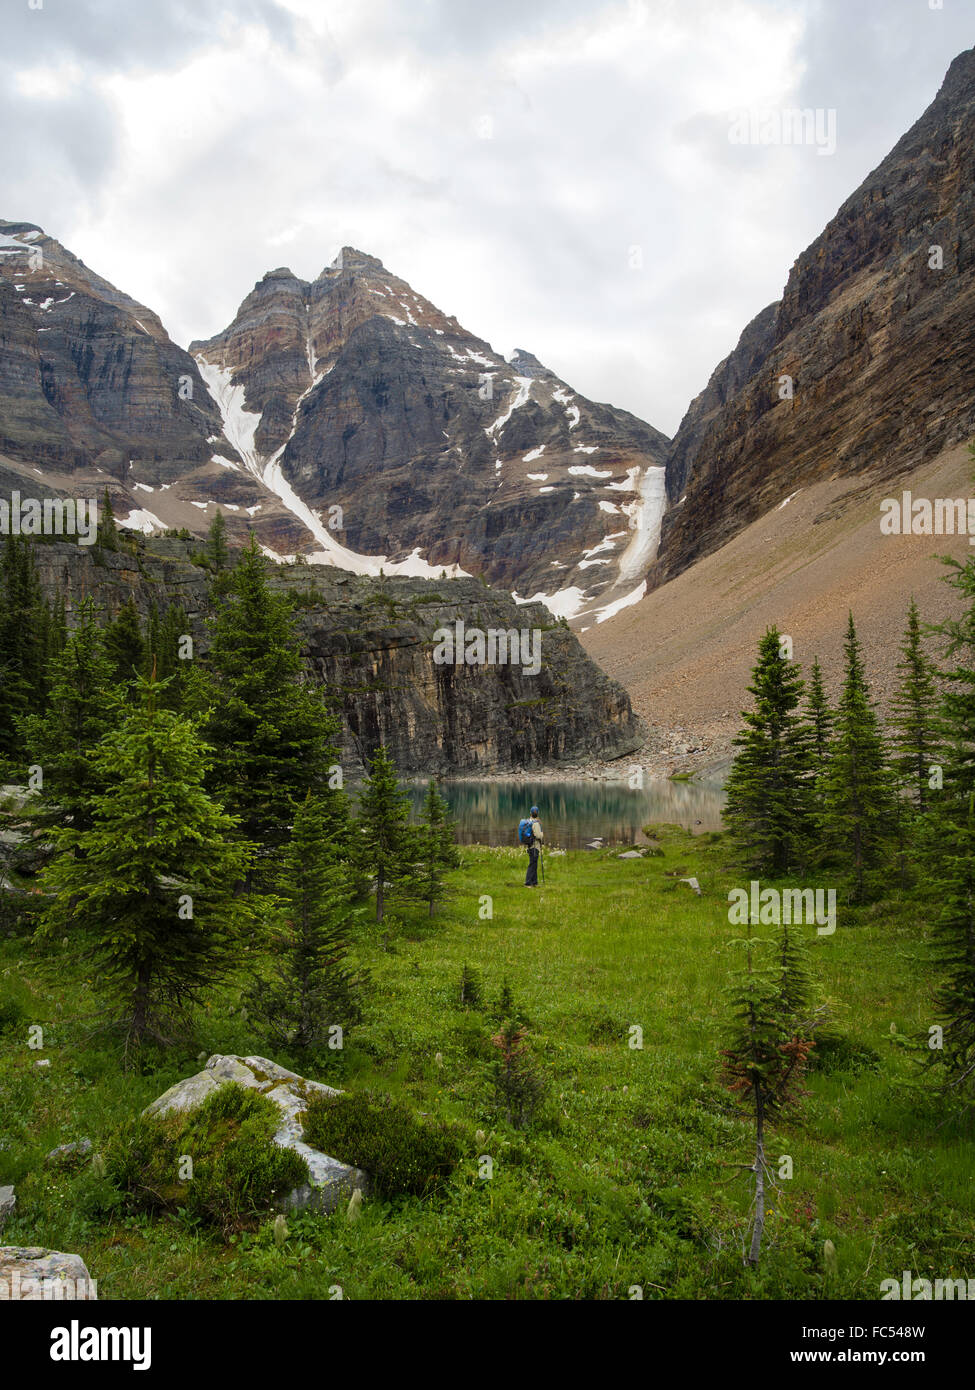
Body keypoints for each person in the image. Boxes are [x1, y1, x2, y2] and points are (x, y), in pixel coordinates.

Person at [524, 805, 544, 886]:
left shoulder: (528, 821)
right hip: (535, 846)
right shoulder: (536, 823)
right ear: (537, 813)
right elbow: (538, 835)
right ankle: (528, 883)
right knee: (532, 864)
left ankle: (534, 882)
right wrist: (542, 834)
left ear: (530, 813)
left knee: (534, 864)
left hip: (530, 846)